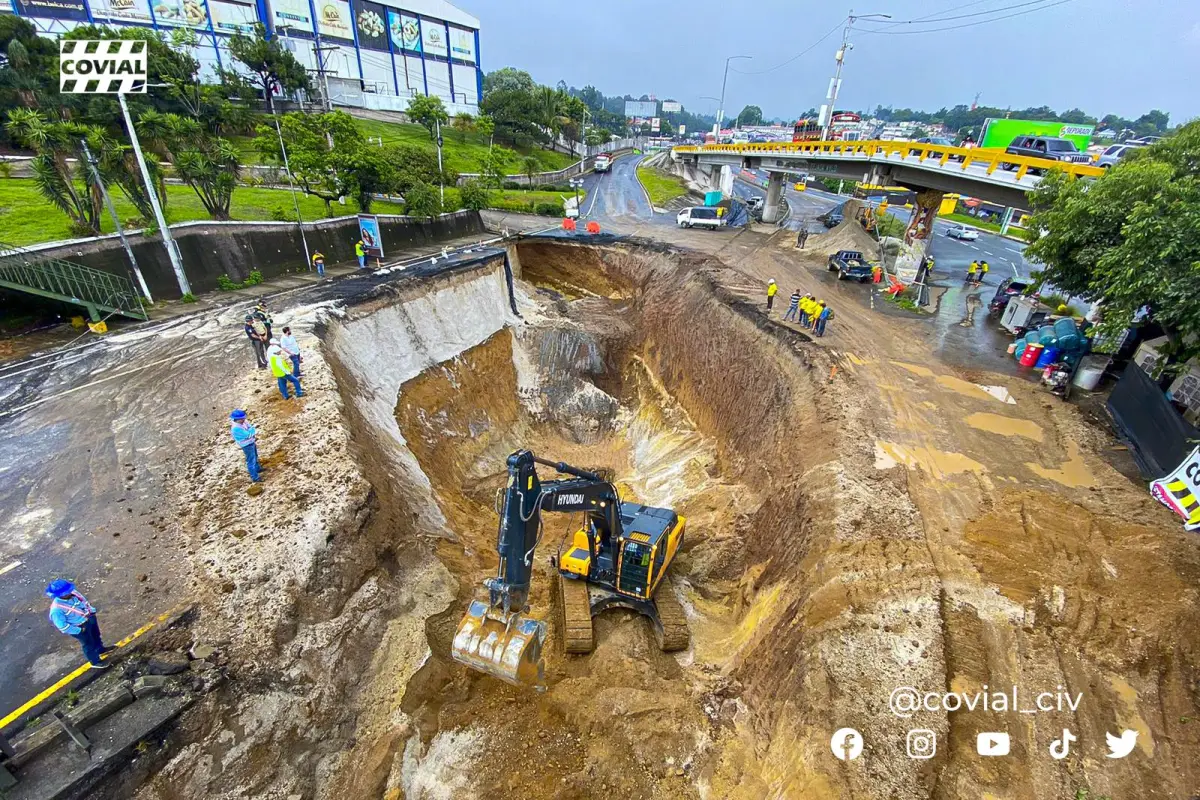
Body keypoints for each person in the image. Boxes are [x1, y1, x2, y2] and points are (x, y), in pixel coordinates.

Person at [46, 580, 113, 669]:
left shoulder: (73, 593)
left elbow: (83, 601)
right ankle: (95, 661)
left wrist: (91, 611)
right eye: (66, 592)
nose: (69, 592)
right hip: (79, 627)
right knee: (89, 644)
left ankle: (100, 649)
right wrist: (79, 630)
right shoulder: (56, 610)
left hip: (88, 618)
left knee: (96, 635)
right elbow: (63, 627)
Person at [230, 409, 261, 482]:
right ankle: (255, 477)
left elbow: (251, 428)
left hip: (251, 442)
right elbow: (249, 434)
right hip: (247, 445)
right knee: (251, 461)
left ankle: (258, 468)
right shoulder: (236, 429)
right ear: (237, 419)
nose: (244, 419)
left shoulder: (243, 422)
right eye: (242, 418)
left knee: (255, 456)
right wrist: (251, 431)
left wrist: (251, 430)